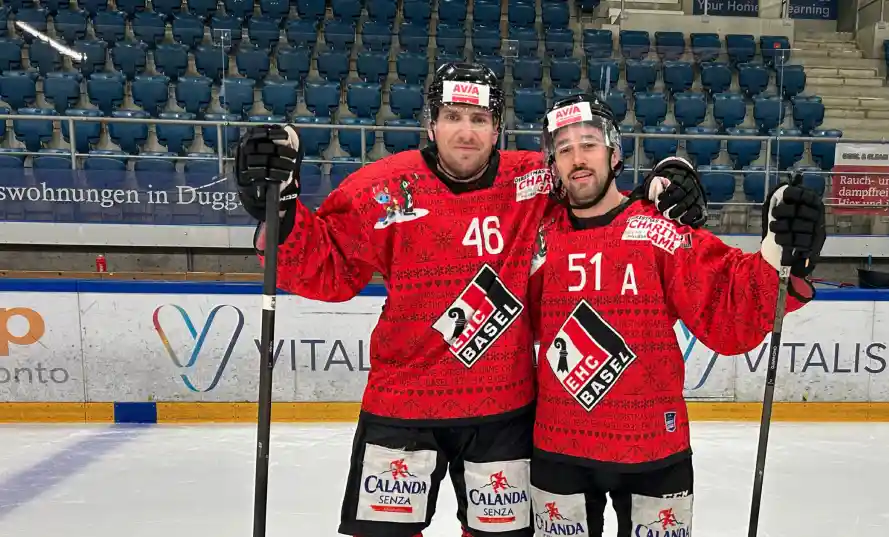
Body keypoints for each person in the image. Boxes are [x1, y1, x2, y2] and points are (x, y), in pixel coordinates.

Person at [233, 62, 708, 537]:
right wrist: (279, 211)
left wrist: (667, 181)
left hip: (500, 411)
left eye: (479, 119)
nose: (466, 132)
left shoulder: (534, 180)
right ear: (431, 124)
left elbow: (596, 190)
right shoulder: (384, 188)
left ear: (497, 128)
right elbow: (330, 269)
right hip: (403, 405)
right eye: (453, 116)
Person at [525, 93, 826, 537]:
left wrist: (776, 258)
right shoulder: (536, 236)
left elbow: (726, 307)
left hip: (652, 446)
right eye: (564, 149)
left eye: (588, 144)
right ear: (553, 164)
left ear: (614, 153)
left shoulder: (657, 228)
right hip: (559, 444)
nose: (578, 158)